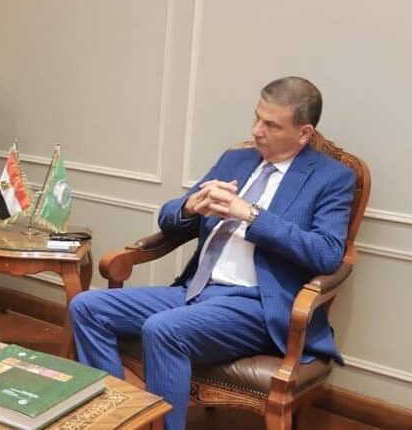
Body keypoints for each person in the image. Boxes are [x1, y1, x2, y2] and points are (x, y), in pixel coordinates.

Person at [69, 76, 356, 430]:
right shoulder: (236, 160)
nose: (256, 130)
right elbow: (170, 219)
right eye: (257, 117)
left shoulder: (332, 178)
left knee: (163, 329)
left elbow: (327, 254)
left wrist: (251, 215)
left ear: (304, 133)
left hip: (257, 305)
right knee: (87, 306)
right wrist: (190, 206)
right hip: (195, 289)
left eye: (271, 124)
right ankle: (117, 420)